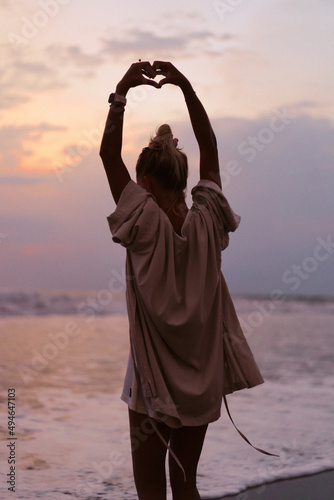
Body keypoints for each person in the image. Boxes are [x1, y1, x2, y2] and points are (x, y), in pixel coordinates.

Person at [100, 61, 265, 500]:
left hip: (152, 381)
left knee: (150, 488)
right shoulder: (208, 220)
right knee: (186, 486)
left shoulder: (143, 220)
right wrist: (186, 87)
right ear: (184, 178)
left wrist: (121, 93)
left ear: (146, 181)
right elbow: (209, 145)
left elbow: (106, 156)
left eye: (138, 179)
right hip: (201, 378)